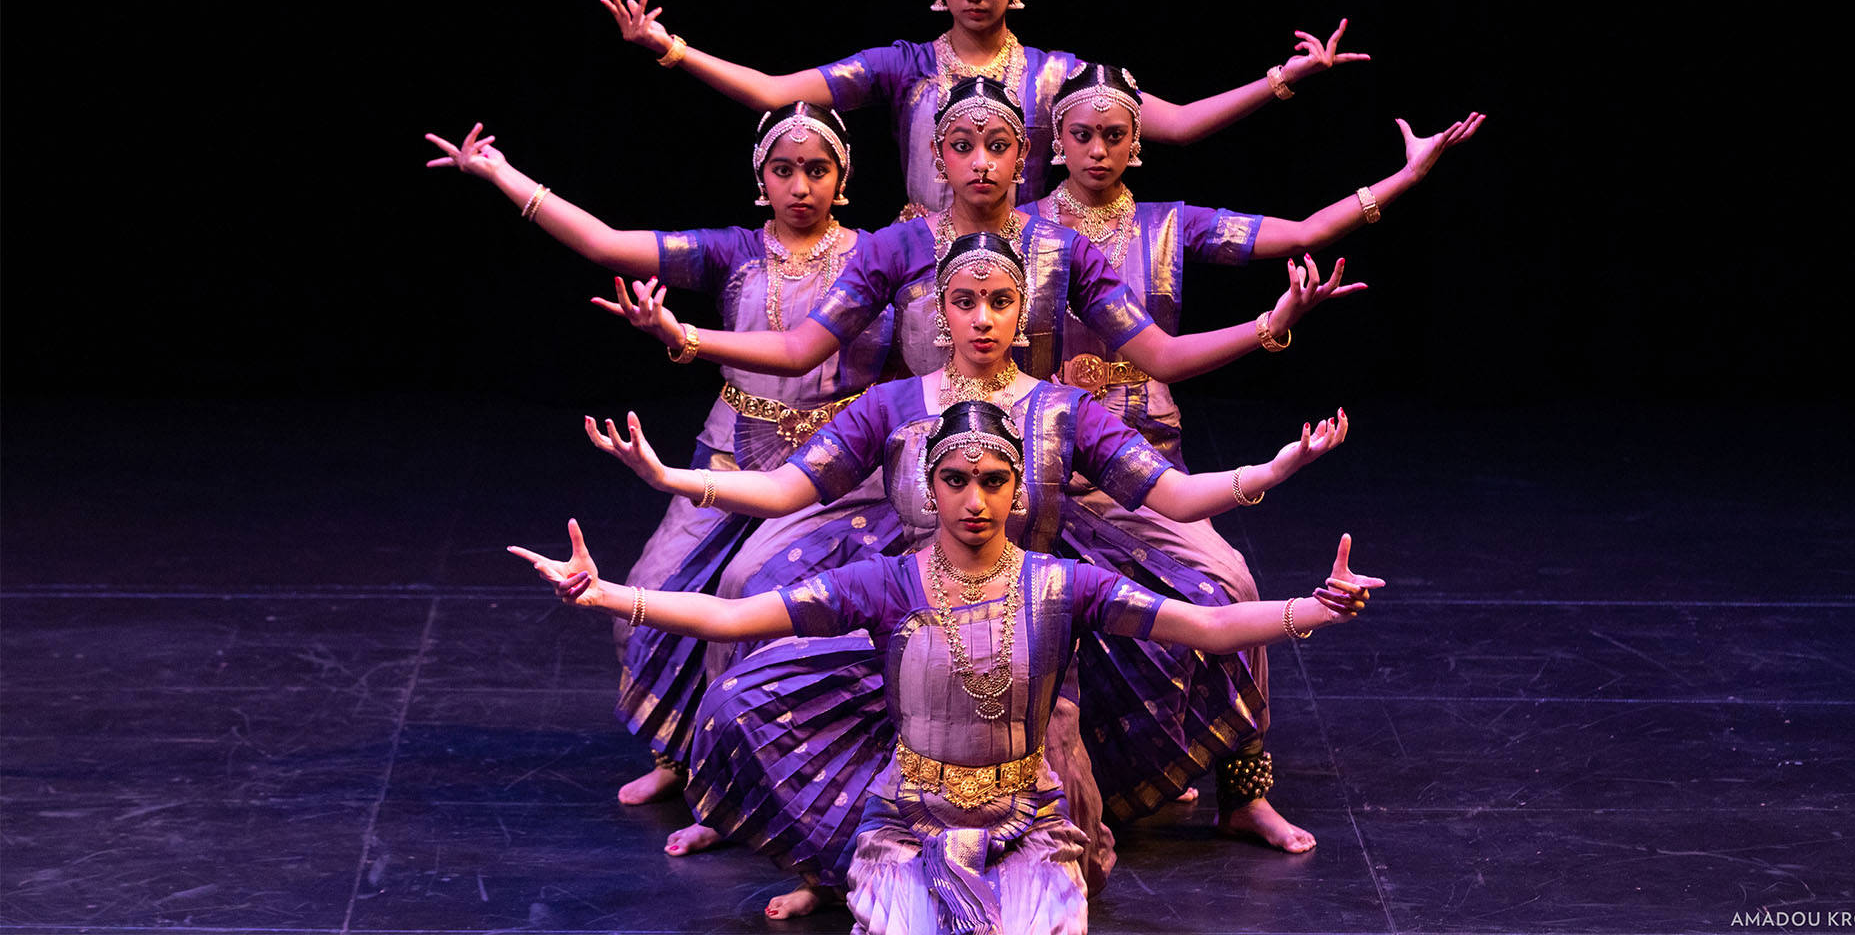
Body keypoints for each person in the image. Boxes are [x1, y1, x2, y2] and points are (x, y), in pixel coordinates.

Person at [585, 231, 1349, 909]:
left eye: (999, 301)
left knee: (1064, 855)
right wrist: (672, 480)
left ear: (1024, 312)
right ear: (937, 311)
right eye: (965, 301)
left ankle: (1220, 796)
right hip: (916, 619)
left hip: (1032, 639)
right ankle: (834, 866)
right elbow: (786, 490)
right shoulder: (891, 406)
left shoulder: (1063, 411)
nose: (982, 319)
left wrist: (1276, 469)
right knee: (751, 687)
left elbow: (1176, 496)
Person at [512, 399, 1383, 935]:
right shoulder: (885, 586)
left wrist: (1313, 607)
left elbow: (1206, 625)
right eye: (957, 480)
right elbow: (734, 616)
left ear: (1020, 491)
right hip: (910, 827)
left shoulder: (1061, 584)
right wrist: (610, 597)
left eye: (994, 480)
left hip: (1029, 827)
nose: (975, 499)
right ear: (930, 488)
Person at [1016, 62, 1486, 849]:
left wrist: (1403, 179)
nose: (1097, 149)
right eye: (1082, 134)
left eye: (1114, 134)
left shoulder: (1169, 225)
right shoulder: (1022, 229)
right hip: (1041, 466)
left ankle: (1243, 789)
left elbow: (1301, 235)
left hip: (1145, 465)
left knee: (1230, 581)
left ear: (1136, 145)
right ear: (1055, 142)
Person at [425, 105, 895, 810]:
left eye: (818, 170)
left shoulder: (876, 258)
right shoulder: (734, 252)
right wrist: (499, 172)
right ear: (761, 179)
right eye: (785, 170)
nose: (802, 185)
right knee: (647, 590)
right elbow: (609, 246)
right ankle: (677, 755)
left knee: (750, 600)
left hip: (831, 472)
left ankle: (742, 777)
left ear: (843, 178)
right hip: (731, 452)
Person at [601, 75, 1358, 385]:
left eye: (999, 146)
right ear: (936, 156)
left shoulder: (1063, 247)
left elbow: (1156, 353)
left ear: (1025, 155)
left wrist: (1271, 323)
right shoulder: (894, 247)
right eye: (962, 147)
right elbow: (802, 349)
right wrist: (687, 337)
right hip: (924, 456)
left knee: (1215, 581)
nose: (982, 164)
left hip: (1043, 447)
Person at [600, 0, 1368, 210]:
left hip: (1026, 264)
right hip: (919, 263)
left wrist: (1282, 81)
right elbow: (772, 89)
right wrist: (669, 48)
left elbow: (1177, 126)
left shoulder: (1056, 76)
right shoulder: (901, 67)